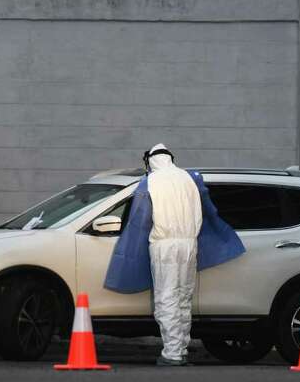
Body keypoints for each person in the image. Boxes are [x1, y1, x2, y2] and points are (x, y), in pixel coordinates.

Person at [104, 145, 245, 366]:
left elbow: (140, 220)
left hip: (164, 245)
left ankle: (172, 353)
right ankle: (181, 348)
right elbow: (209, 211)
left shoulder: (151, 182)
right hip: (190, 244)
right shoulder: (190, 179)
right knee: (183, 297)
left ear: (151, 161)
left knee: (166, 297)